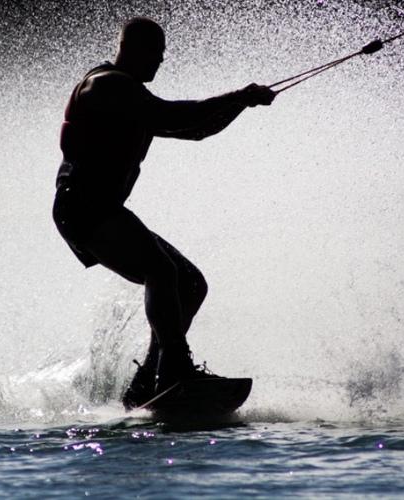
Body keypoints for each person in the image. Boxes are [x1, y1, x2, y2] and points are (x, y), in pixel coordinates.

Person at [52, 17, 275, 409]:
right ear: (131, 48)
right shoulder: (107, 85)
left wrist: (242, 104)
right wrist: (239, 96)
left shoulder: (132, 95)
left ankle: (148, 383)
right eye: (155, 52)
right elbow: (177, 116)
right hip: (83, 206)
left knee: (190, 284)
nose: (161, 60)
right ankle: (174, 369)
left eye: (162, 53)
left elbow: (197, 130)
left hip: (100, 208)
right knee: (161, 270)